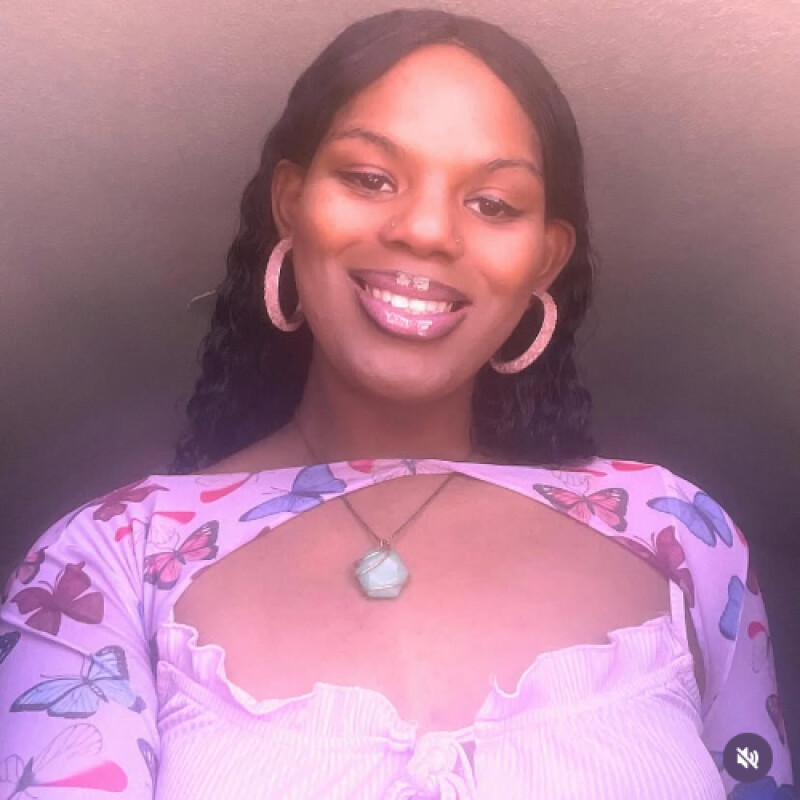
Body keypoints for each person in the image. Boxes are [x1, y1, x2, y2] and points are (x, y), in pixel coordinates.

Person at [0, 8, 794, 799]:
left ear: (545, 262)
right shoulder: (111, 560)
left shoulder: (678, 535)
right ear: (291, 203)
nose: (425, 230)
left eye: (493, 203)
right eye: (370, 178)